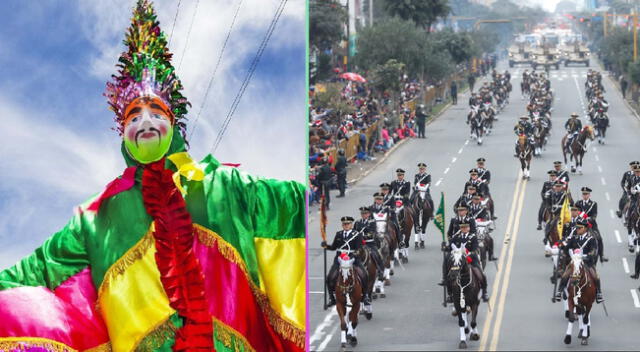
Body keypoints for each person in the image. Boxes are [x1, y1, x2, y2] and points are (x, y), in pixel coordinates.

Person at [0, 2, 306, 349]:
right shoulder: (96, 220)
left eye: (155, 112)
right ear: (123, 135)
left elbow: (293, 205)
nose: (144, 122)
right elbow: (36, 273)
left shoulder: (228, 186)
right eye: (132, 117)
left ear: (173, 125)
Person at [322, 216, 369, 307]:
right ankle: (332, 298)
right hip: (340, 259)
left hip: (353, 259)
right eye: (344, 224)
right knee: (330, 277)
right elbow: (334, 247)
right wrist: (326, 246)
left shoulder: (357, 234)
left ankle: (365, 296)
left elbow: (360, 248)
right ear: (342, 225)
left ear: (351, 225)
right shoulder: (339, 234)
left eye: (348, 224)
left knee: (364, 275)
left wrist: (356, 253)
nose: (346, 225)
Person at [555, 219, 604, 304]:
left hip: (586, 262)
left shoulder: (591, 239)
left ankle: (599, 293)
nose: (577, 230)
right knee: (565, 275)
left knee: (595, 276)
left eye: (579, 228)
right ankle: (559, 291)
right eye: (577, 228)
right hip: (575, 261)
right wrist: (561, 246)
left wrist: (589, 255)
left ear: (585, 228)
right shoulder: (574, 238)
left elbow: (593, 250)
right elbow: (567, 246)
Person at [446, 223, 489, 302]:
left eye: (466, 227)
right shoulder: (456, 236)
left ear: (469, 228)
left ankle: (484, 292)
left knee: (481, 275)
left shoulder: (473, 237)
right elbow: (450, 246)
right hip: (458, 260)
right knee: (449, 276)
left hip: (471, 260)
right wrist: (445, 247)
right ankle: (450, 294)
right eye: (462, 227)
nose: (464, 229)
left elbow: (475, 249)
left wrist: (468, 253)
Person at [575, 186, 607, 262]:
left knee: (599, 238)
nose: (585, 196)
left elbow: (594, 215)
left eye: (586, 194)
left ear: (589, 195)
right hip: (579, 224)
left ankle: (601, 255)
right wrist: (579, 217)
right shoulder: (578, 203)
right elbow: (575, 213)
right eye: (583, 194)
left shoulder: (593, 204)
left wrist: (587, 219)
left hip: (590, 225)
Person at [354, 207, 384, 281]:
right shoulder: (357, 222)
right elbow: (354, 232)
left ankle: (380, 271)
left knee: (376, 255)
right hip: (359, 244)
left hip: (369, 243)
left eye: (365, 213)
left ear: (369, 214)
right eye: (362, 213)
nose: (364, 215)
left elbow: (372, 233)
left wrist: (362, 237)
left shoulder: (372, 222)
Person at [469, 195, 498, 261]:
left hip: (479, 226)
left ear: (479, 200)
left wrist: (480, 220)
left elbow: (484, 218)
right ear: (472, 200)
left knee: (489, 239)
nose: (476, 201)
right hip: (470, 227)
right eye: (475, 199)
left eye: (477, 199)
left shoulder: (482, 209)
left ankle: (491, 256)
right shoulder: (468, 208)